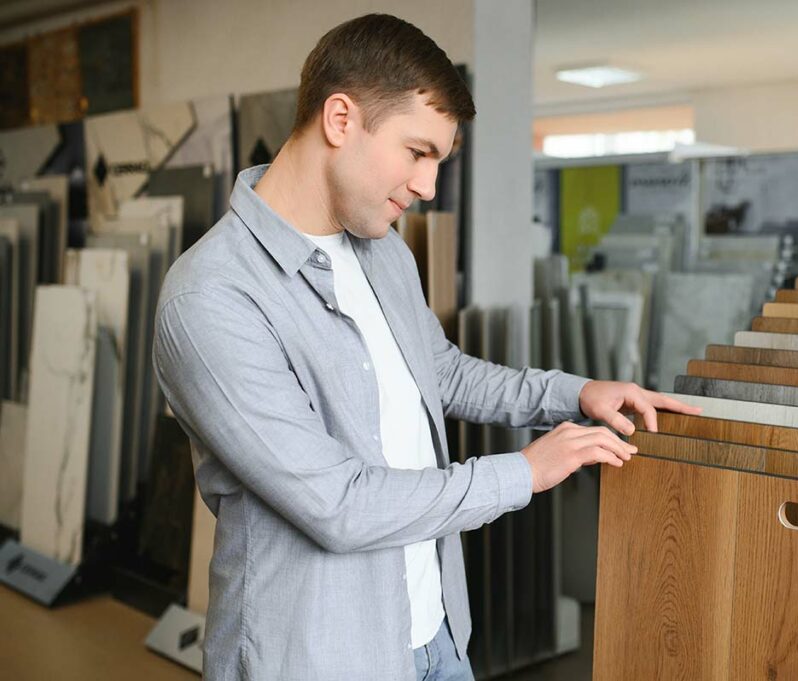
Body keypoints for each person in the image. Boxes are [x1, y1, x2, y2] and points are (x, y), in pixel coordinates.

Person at [153, 13, 699, 681]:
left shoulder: (382, 251)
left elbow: (439, 372)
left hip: (435, 636)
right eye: (418, 152)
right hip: (318, 658)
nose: (428, 186)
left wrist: (574, 393)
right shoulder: (210, 298)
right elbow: (339, 503)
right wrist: (523, 472)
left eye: (438, 160)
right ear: (340, 119)